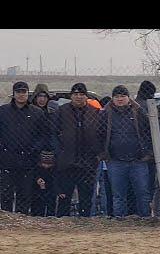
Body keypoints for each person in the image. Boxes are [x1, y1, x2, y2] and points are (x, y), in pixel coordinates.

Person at [97, 85, 153, 219]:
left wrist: (147, 153)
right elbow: (99, 135)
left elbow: (148, 132)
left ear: (128, 98)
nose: (120, 99)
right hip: (115, 161)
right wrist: (103, 153)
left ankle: (145, 219)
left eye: (123, 96)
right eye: (116, 96)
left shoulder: (138, 112)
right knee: (118, 194)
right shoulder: (106, 113)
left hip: (138, 160)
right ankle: (119, 220)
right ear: (112, 98)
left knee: (143, 193)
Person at [0, 82, 49, 214]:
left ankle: (22, 224)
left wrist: (34, 149)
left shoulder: (37, 113)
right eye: (19, 92)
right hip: (7, 161)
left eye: (24, 92)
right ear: (14, 94)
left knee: (24, 195)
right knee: (6, 195)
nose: (21, 95)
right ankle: (7, 223)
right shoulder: (3, 112)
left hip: (28, 161)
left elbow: (43, 136)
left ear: (28, 94)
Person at [55, 82, 101, 217]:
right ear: (71, 96)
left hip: (87, 164)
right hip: (67, 163)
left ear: (86, 96)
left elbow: (100, 134)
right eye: (75, 94)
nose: (79, 97)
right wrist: (59, 152)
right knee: (64, 197)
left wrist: (97, 154)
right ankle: (62, 222)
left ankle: (85, 222)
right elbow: (54, 133)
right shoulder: (62, 111)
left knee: (86, 198)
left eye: (82, 94)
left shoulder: (94, 113)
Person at [30, 150, 57, 217]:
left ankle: (50, 216)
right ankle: (37, 215)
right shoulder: (36, 165)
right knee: (37, 200)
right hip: (38, 175)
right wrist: (37, 178)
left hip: (51, 177)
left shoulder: (54, 168)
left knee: (50, 200)